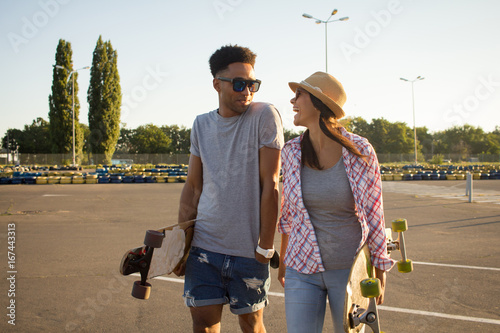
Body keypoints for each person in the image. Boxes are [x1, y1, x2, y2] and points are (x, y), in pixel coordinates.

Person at [176, 45, 284, 333]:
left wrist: (265, 245)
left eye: (252, 84)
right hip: (204, 249)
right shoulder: (201, 124)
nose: (247, 91)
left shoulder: (264, 116)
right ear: (217, 84)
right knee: (203, 325)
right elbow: (193, 187)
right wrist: (180, 243)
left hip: (249, 252)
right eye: (239, 83)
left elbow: (271, 183)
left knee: (251, 326)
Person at [277, 72, 395, 332]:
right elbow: (288, 214)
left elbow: (375, 214)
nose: (292, 100)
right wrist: (284, 260)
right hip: (301, 267)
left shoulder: (360, 151)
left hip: (349, 269)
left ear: (319, 103)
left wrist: (380, 269)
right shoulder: (291, 152)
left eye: (299, 95)